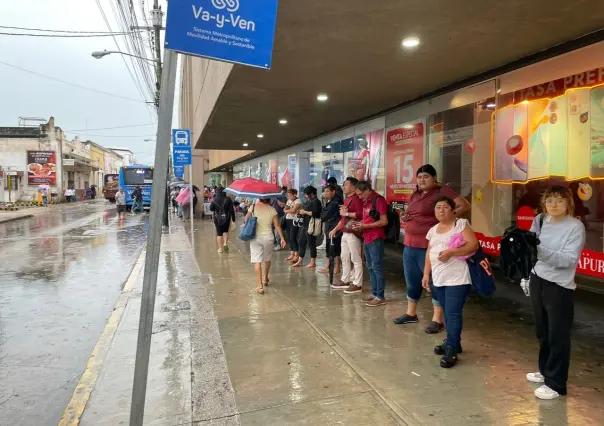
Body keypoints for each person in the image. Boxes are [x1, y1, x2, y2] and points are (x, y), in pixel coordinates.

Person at [394, 164, 471, 333]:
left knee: (434, 283)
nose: (422, 180)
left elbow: (464, 206)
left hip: (428, 246)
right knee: (412, 280)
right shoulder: (416, 194)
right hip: (410, 244)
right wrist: (407, 217)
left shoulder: (442, 192)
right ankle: (411, 313)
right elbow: (414, 213)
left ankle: (437, 320)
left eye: (426, 176)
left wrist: (446, 220)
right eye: (419, 176)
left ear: (434, 178)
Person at [526, 186, 585, 400]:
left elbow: (567, 260)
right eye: (549, 200)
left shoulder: (575, 227)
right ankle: (545, 370)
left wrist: (538, 249)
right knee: (543, 332)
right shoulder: (541, 220)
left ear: (568, 203)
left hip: (559, 286)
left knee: (558, 335)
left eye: (559, 201)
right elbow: (530, 250)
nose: (553, 205)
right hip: (537, 279)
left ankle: (556, 383)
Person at [422, 196, 479, 368]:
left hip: (457, 278)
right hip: (438, 278)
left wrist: (451, 252)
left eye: (445, 207)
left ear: (453, 209)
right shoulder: (433, 230)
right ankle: (453, 342)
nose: (441, 210)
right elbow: (428, 254)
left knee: (453, 314)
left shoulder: (461, 225)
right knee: (447, 312)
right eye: (438, 207)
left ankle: (452, 349)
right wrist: (426, 275)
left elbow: (473, 245)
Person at [352, 181, 388, 307]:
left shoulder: (378, 200)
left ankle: (380, 296)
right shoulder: (366, 202)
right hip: (366, 236)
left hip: (375, 237)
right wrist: (360, 224)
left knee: (377, 266)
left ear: (367, 189)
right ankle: (374, 293)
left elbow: (384, 221)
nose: (360, 197)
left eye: (361, 194)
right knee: (370, 266)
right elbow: (367, 218)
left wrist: (365, 225)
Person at [329, 177, 364, 292]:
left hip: (353, 231)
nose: (344, 187)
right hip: (345, 231)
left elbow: (361, 214)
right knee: (344, 257)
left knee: (355, 258)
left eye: (347, 185)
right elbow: (343, 218)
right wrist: (335, 229)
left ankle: (357, 283)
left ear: (353, 187)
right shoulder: (347, 199)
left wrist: (347, 212)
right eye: (344, 184)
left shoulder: (357, 199)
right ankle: (345, 279)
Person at [245, 198, 287, 294]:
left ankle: (260, 286)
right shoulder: (272, 209)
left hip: (255, 237)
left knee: (257, 260)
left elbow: (246, 218)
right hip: (268, 237)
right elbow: (277, 225)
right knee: (267, 259)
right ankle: (265, 278)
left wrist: (250, 216)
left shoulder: (253, 206)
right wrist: (282, 238)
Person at [292, 186, 322, 269]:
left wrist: (305, 212)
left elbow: (316, 214)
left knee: (311, 243)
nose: (305, 196)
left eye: (306, 194)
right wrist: (301, 212)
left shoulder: (317, 202)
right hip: (305, 225)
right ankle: (300, 260)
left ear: (311, 194)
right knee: (301, 241)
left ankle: (313, 262)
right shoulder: (309, 201)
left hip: (311, 225)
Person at [318, 184, 342, 274]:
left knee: (335, 248)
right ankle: (329, 265)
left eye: (328, 191)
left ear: (333, 192)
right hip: (329, 227)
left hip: (334, 227)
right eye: (325, 191)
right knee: (329, 247)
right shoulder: (329, 201)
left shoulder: (334, 202)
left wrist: (323, 211)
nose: (325, 193)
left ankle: (337, 267)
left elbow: (324, 216)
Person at [210, 186, 235, 253]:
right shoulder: (228, 199)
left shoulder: (214, 199)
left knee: (219, 233)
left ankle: (220, 249)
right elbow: (231, 210)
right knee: (226, 231)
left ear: (217, 191)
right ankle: (225, 244)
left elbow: (211, 208)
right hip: (226, 217)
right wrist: (233, 219)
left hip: (217, 218)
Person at [283, 189, 302, 264]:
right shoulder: (288, 201)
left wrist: (288, 210)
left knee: (293, 237)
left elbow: (294, 210)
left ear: (295, 194)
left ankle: (297, 254)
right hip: (288, 219)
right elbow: (285, 209)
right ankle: (292, 253)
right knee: (289, 237)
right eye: (288, 195)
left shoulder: (298, 201)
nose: (289, 197)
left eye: (290, 195)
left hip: (295, 220)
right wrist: (288, 210)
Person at [272, 187, 287, 251]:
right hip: (273, 215)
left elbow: (282, 205)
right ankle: (276, 242)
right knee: (273, 229)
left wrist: (277, 199)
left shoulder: (283, 197)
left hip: (279, 215)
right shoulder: (274, 197)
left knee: (277, 230)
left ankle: (279, 244)